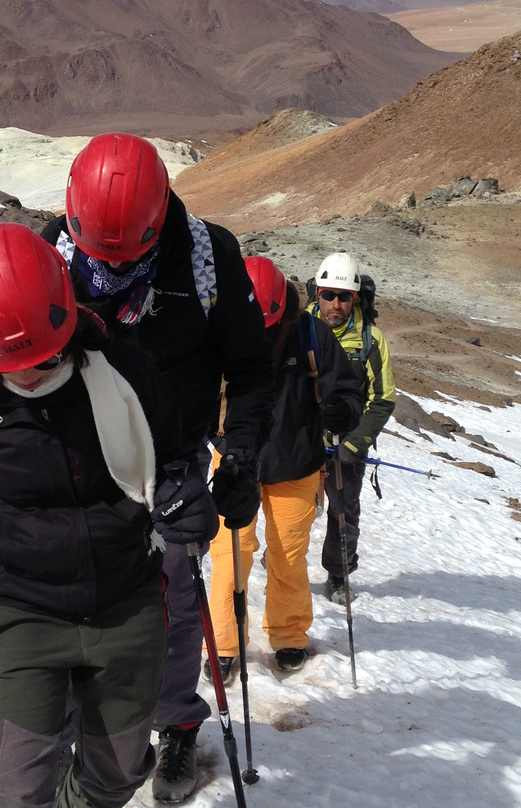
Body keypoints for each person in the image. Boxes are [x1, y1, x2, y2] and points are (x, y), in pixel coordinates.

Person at [0, 223, 220, 808]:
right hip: (20, 608)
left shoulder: (121, 364)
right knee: (16, 788)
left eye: (45, 357)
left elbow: (173, 452)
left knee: (116, 777)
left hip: (125, 601)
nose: (29, 373)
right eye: (11, 362)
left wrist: (186, 498)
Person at [40, 132, 275, 804]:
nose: (105, 267)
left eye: (125, 256)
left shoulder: (207, 259)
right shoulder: (55, 250)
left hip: (171, 456)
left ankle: (173, 721)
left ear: (157, 218)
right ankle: (65, 725)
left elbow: (252, 367)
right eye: (95, 253)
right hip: (79, 452)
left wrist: (243, 450)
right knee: (70, 588)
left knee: (170, 597)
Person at [206, 256, 363, 679]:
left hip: (296, 466)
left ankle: (289, 636)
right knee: (229, 556)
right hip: (236, 463)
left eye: (270, 326)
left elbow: (349, 391)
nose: (263, 335)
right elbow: (196, 388)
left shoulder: (312, 336)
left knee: (288, 557)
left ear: (285, 313)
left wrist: (340, 410)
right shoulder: (221, 331)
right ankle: (224, 643)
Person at [309, 252, 396, 605]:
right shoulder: (299, 329)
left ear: (355, 298)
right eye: (328, 294)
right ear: (317, 293)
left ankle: (338, 574)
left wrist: (356, 443)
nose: (335, 304)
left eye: (343, 296)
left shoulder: (371, 341)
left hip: (347, 447)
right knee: (293, 510)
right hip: (303, 442)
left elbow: (383, 399)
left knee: (343, 512)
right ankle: (283, 568)